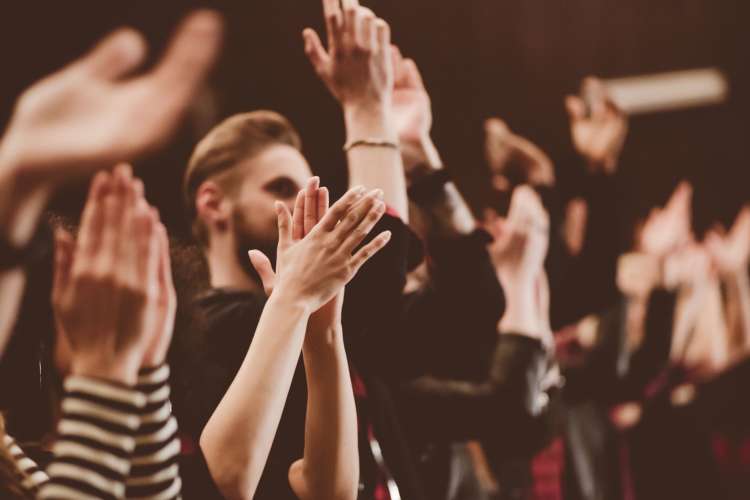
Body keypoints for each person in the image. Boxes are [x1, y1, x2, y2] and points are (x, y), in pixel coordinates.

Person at [173, 2, 424, 498]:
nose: (308, 205)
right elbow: (378, 269)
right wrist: (368, 113)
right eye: (281, 188)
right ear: (214, 203)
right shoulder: (215, 322)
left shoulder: (296, 318)